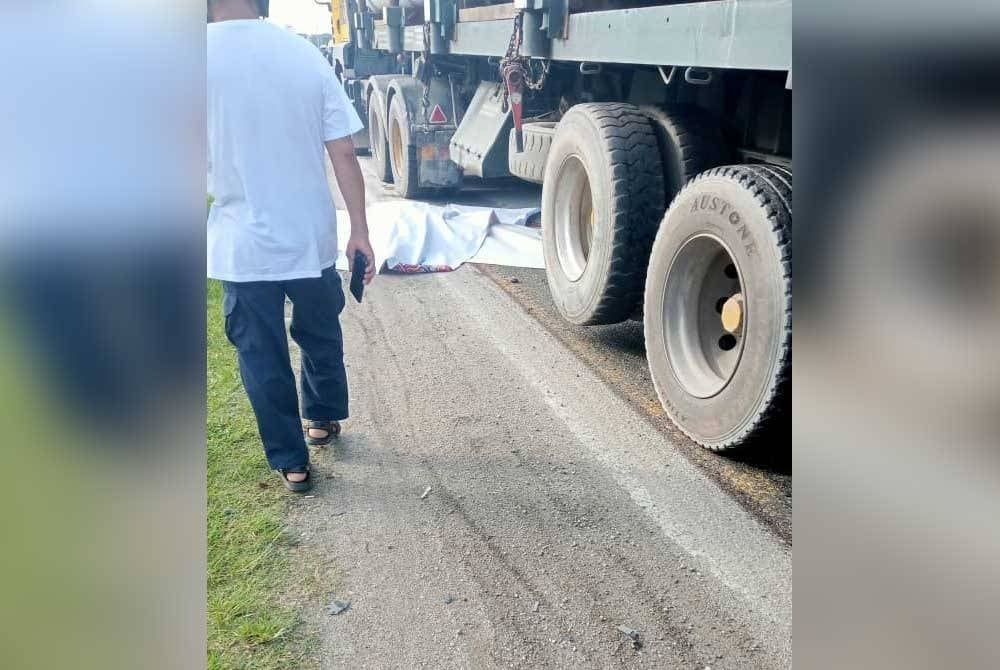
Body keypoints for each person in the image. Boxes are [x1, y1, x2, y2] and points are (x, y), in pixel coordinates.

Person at [208, 0, 375, 492]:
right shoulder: (302, 53)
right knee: (319, 333)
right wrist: (359, 231)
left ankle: (292, 464)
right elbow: (343, 150)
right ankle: (321, 420)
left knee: (261, 355)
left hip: (241, 247)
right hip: (309, 238)